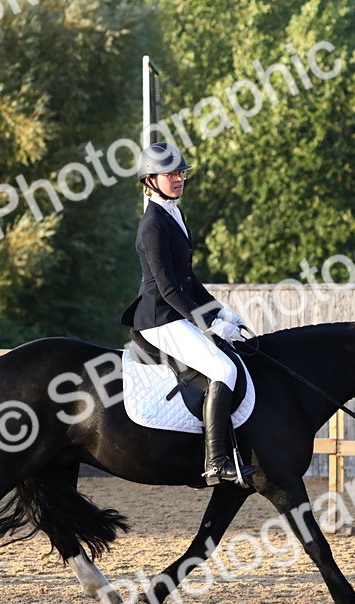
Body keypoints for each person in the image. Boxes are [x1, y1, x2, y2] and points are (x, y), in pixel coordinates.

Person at [120, 141, 257, 486]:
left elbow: (188, 279)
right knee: (223, 369)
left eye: (181, 172)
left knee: (229, 361)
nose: (179, 178)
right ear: (150, 180)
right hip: (159, 319)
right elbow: (168, 288)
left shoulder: (174, 215)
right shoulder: (152, 225)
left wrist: (222, 312)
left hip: (175, 315)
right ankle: (216, 462)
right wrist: (209, 324)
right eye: (171, 174)